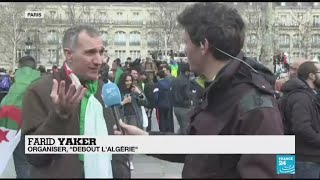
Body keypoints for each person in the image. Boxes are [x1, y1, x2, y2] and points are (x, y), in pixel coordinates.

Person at [114, 2, 288, 178]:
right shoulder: (220, 90)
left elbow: (280, 170)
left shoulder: (256, 103)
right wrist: (145, 139)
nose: (184, 50)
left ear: (203, 45)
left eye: (186, 42)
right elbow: (196, 146)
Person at [21, 24, 130, 178]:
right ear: (69, 54)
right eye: (90, 53)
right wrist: (59, 117)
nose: (99, 60)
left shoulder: (105, 90)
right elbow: (34, 156)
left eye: (101, 52)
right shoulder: (40, 90)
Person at [0, 56, 40, 178]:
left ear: (20, 67)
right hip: (37, 130)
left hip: (17, 131)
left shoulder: (15, 86)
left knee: (22, 164)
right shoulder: (42, 83)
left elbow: (4, 108)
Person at [278, 61, 320, 179]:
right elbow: (302, 128)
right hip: (304, 159)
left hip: (294, 155)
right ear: (311, 76)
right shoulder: (301, 97)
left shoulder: (299, 94)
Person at [117, 72, 147, 171]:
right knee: (123, 139)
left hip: (134, 116)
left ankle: (129, 160)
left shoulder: (135, 89)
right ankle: (124, 158)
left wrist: (139, 93)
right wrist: (123, 102)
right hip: (123, 117)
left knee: (132, 138)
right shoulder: (118, 91)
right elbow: (114, 107)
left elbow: (145, 102)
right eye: (126, 80)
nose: (129, 82)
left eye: (130, 80)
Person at [171, 62, 192, 135]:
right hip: (184, 107)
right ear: (187, 72)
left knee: (182, 126)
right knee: (186, 128)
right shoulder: (186, 81)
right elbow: (187, 95)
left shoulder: (175, 80)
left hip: (176, 107)